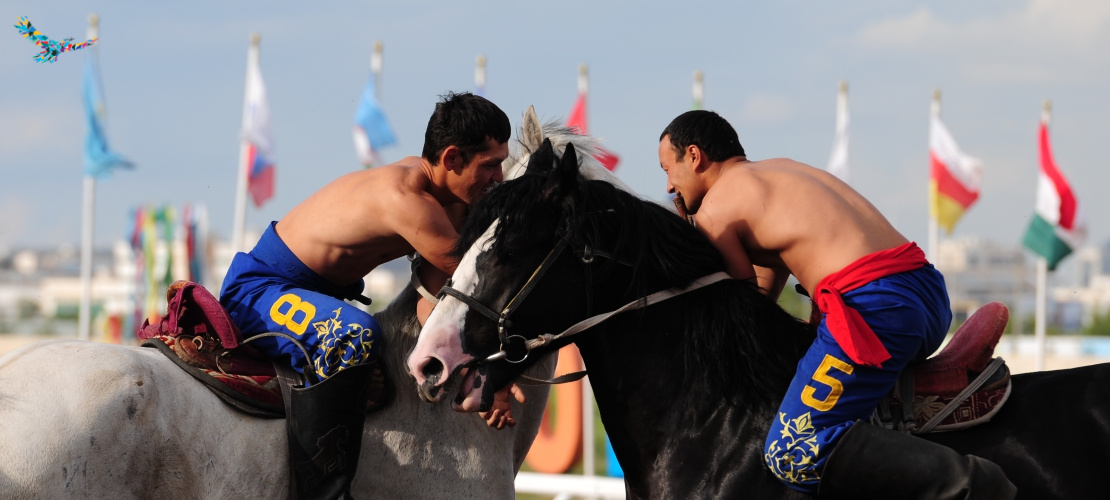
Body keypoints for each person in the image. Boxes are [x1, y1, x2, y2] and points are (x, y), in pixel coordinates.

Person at [657, 110, 1016, 499]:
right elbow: (761, 296)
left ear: (694, 156)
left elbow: (741, 310)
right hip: (927, 296)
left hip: (877, 310)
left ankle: (975, 487)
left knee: (791, 451)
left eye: (667, 169)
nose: (668, 187)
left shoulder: (715, 213)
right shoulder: (780, 170)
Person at [220, 92, 518, 499]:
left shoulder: (447, 198)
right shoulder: (408, 202)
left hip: (307, 291)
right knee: (355, 334)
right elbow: (477, 288)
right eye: (490, 165)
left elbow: (436, 305)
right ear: (451, 159)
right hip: (259, 290)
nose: (499, 178)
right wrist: (497, 378)